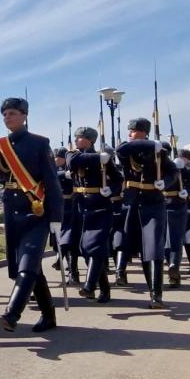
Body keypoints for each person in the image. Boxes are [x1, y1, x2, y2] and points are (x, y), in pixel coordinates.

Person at [0, 98, 63, 332]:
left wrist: (56, 217)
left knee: (28, 262)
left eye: (11, 113)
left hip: (36, 211)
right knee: (29, 267)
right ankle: (49, 315)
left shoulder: (40, 143)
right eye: (4, 114)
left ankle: (12, 314)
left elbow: (52, 182)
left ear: (24, 115)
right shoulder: (1, 145)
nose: (7, 117)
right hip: (12, 211)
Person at [115, 118, 177, 309]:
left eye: (133, 130)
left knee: (153, 249)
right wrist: (152, 143)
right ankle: (120, 271)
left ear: (142, 131)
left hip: (153, 203)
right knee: (130, 246)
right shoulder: (128, 149)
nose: (130, 133)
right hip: (132, 204)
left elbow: (172, 171)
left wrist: (165, 182)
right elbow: (121, 150)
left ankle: (156, 294)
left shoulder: (159, 153)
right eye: (130, 130)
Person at [67, 127, 123, 302]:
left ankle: (89, 286)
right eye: (76, 137)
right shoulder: (75, 155)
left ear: (90, 140)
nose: (77, 140)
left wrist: (111, 190)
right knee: (84, 249)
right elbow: (73, 162)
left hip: (100, 205)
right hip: (80, 206)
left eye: (81, 137)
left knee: (95, 247)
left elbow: (118, 179)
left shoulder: (104, 160)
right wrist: (99, 157)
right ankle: (105, 290)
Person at [164, 144, 190, 289]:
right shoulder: (164, 168)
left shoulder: (184, 171)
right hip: (161, 205)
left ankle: (174, 266)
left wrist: (188, 190)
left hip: (178, 205)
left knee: (175, 239)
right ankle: (171, 265)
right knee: (164, 241)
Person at [53, 147, 81, 285]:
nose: (55, 159)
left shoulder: (73, 166)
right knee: (60, 242)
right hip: (58, 209)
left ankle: (73, 273)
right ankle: (65, 265)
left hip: (72, 207)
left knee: (70, 242)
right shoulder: (54, 169)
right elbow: (52, 176)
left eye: (58, 157)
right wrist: (65, 174)